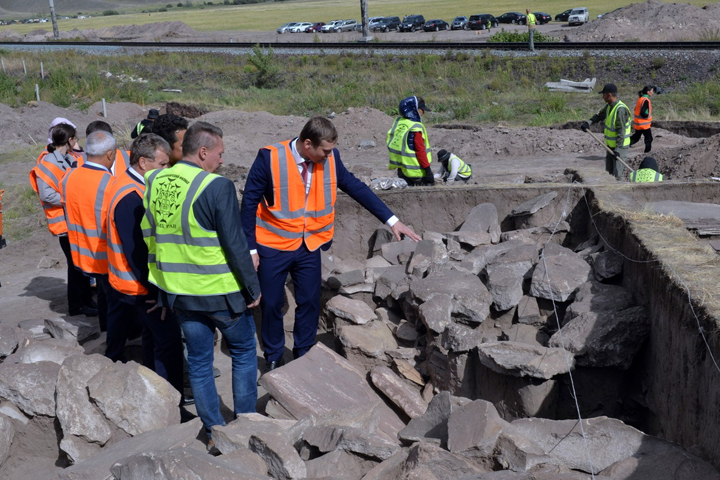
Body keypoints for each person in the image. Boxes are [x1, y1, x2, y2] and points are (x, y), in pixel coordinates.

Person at [241, 116, 421, 373]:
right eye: (324, 151)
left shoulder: (331, 158)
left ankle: (304, 354)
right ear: (307, 144)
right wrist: (251, 249)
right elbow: (248, 204)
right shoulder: (270, 158)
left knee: (310, 302)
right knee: (271, 303)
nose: (329, 155)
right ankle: (273, 357)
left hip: (309, 245)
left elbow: (356, 188)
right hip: (273, 244)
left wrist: (393, 221)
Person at [142, 121, 261, 445]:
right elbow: (235, 246)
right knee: (244, 351)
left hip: (181, 294)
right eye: (219, 154)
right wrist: (253, 288)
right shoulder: (216, 187)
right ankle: (245, 426)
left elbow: (150, 236)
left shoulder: (155, 181)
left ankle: (212, 431)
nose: (222, 161)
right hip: (220, 293)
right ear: (203, 151)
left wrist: (161, 288)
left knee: (198, 360)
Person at [106, 133, 183, 388]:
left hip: (136, 284)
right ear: (143, 162)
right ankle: (172, 400)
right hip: (141, 287)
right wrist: (155, 291)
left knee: (153, 339)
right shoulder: (131, 197)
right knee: (169, 342)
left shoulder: (130, 185)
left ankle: (157, 392)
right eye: (162, 164)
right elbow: (137, 251)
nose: (167, 169)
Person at [29, 122, 96, 317]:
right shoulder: (48, 163)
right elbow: (46, 194)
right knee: (75, 266)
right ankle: (77, 306)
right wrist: (71, 200)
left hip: (73, 221)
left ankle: (85, 301)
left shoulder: (66, 159)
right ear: (70, 140)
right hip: (65, 224)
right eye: (75, 138)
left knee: (80, 264)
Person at [60, 131, 117, 335]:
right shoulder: (110, 183)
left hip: (82, 252)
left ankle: (105, 331)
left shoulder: (69, 177)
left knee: (103, 296)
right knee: (114, 302)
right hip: (107, 255)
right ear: (110, 154)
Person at [581, 83, 631, 180]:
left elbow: (621, 132)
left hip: (619, 147)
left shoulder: (620, 109)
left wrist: (618, 150)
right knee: (609, 173)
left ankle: (621, 193)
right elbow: (599, 116)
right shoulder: (608, 106)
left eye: (603, 94)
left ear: (609, 95)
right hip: (610, 146)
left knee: (618, 174)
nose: (602, 97)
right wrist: (588, 123)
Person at [387, 96, 435, 186]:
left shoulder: (399, 123)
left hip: (402, 170)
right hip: (416, 172)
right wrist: (428, 171)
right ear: (414, 110)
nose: (423, 112)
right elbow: (420, 151)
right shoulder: (416, 127)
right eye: (421, 109)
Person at [630, 85, 656, 153]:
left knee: (636, 137)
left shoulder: (641, 98)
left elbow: (636, 109)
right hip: (644, 124)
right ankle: (647, 153)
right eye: (652, 91)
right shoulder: (646, 100)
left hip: (638, 123)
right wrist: (647, 116)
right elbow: (643, 112)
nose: (653, 92)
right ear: (648, 92)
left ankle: (623, 146)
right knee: (649, 139)